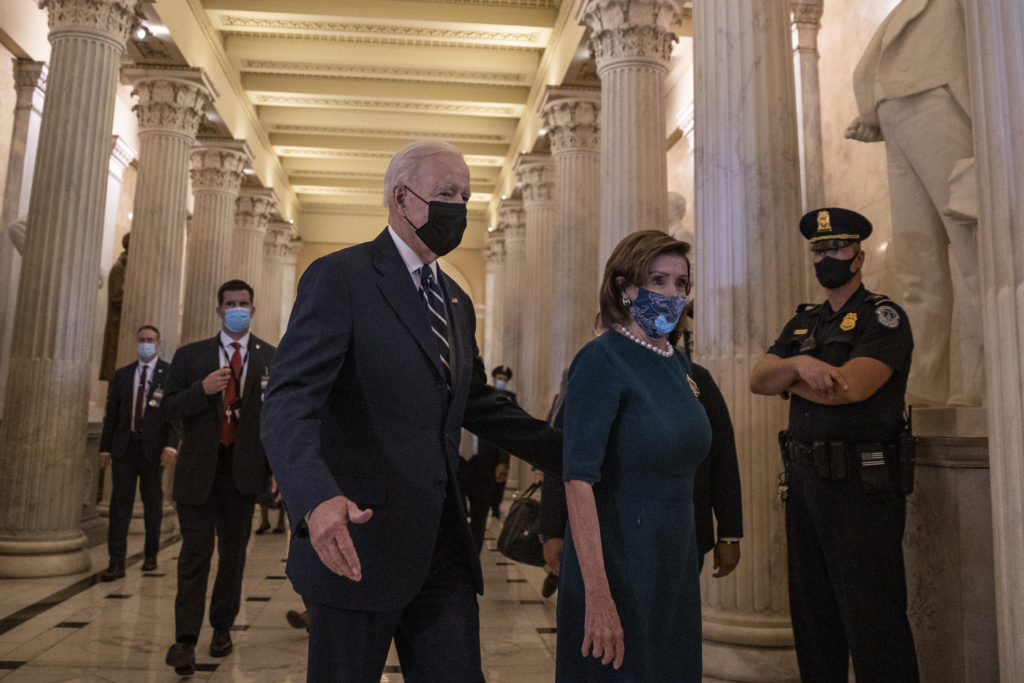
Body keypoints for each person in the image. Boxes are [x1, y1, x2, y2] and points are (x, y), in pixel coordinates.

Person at [260, 140, 561, 682]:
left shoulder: (455, 301)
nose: (460, 209)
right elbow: (288, 400)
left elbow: (472, 400)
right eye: (447, 194)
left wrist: (569, 448)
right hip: (357, 539)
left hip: (442, 545)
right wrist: (315, 497)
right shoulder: (341, 278)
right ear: (402, 197)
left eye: (466, 197)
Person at [749, 207, 918, 681]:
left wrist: (788, 379)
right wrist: (802, 369)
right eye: (819, 249)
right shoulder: (803, 324)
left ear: (858, 257)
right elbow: (758, 379)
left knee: (874, 622)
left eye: (837, 248)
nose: (827, 256)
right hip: (805, 484)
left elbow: (852, 388)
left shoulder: (882, 318)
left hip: (862, 488)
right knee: (814, 620)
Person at [558, 231, 711, 680]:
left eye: (680, 284)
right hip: (620, 560)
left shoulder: (677, 364)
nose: (672, 294)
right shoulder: (601, 359)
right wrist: (597, 595)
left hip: (674, 558)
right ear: (625, 289)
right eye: (658, 281)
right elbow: (577, 479)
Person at [846, 0, 981, 406]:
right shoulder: (902, 12)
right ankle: (925, 384)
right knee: (916, 266)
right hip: (896, 114)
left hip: (937, 98)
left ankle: (985, 380)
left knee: (975, 252)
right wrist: (874, 110)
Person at [162, 280, 276, 675]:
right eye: (230, 304)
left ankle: (222, 627)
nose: (237, 309)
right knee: (194, 556)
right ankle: (185, 640)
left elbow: (276, 419)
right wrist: (202, 389)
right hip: (198, 473)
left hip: (242, 474)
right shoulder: (191, 356)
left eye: (243, 303)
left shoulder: (269, 358)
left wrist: (275, 471)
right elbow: (167, 407)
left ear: (253, 309)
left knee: (233, 556)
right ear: (218, 310)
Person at [98, 324, 178, 580]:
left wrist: (171, 444)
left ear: (158, 342)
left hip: (153, 449)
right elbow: (112, 414)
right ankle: (116, 562)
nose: (146, 343)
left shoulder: (169, 374)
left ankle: (151, 555)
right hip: (124, 448)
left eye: (151, 339)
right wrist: (104, 448)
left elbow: (174, 414)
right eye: (142, 339)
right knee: (119, 506)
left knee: (153, 503)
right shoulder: (123, 375)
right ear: (137, 341)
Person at [457, 365, 513, 554]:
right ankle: (458, 554)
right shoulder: (451, 395)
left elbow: (503, 432)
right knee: (456, 514)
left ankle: (474, 554)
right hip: (456, 465)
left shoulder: (490, 399)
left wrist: (503, 461)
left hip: (483, 465)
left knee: (480, 516)